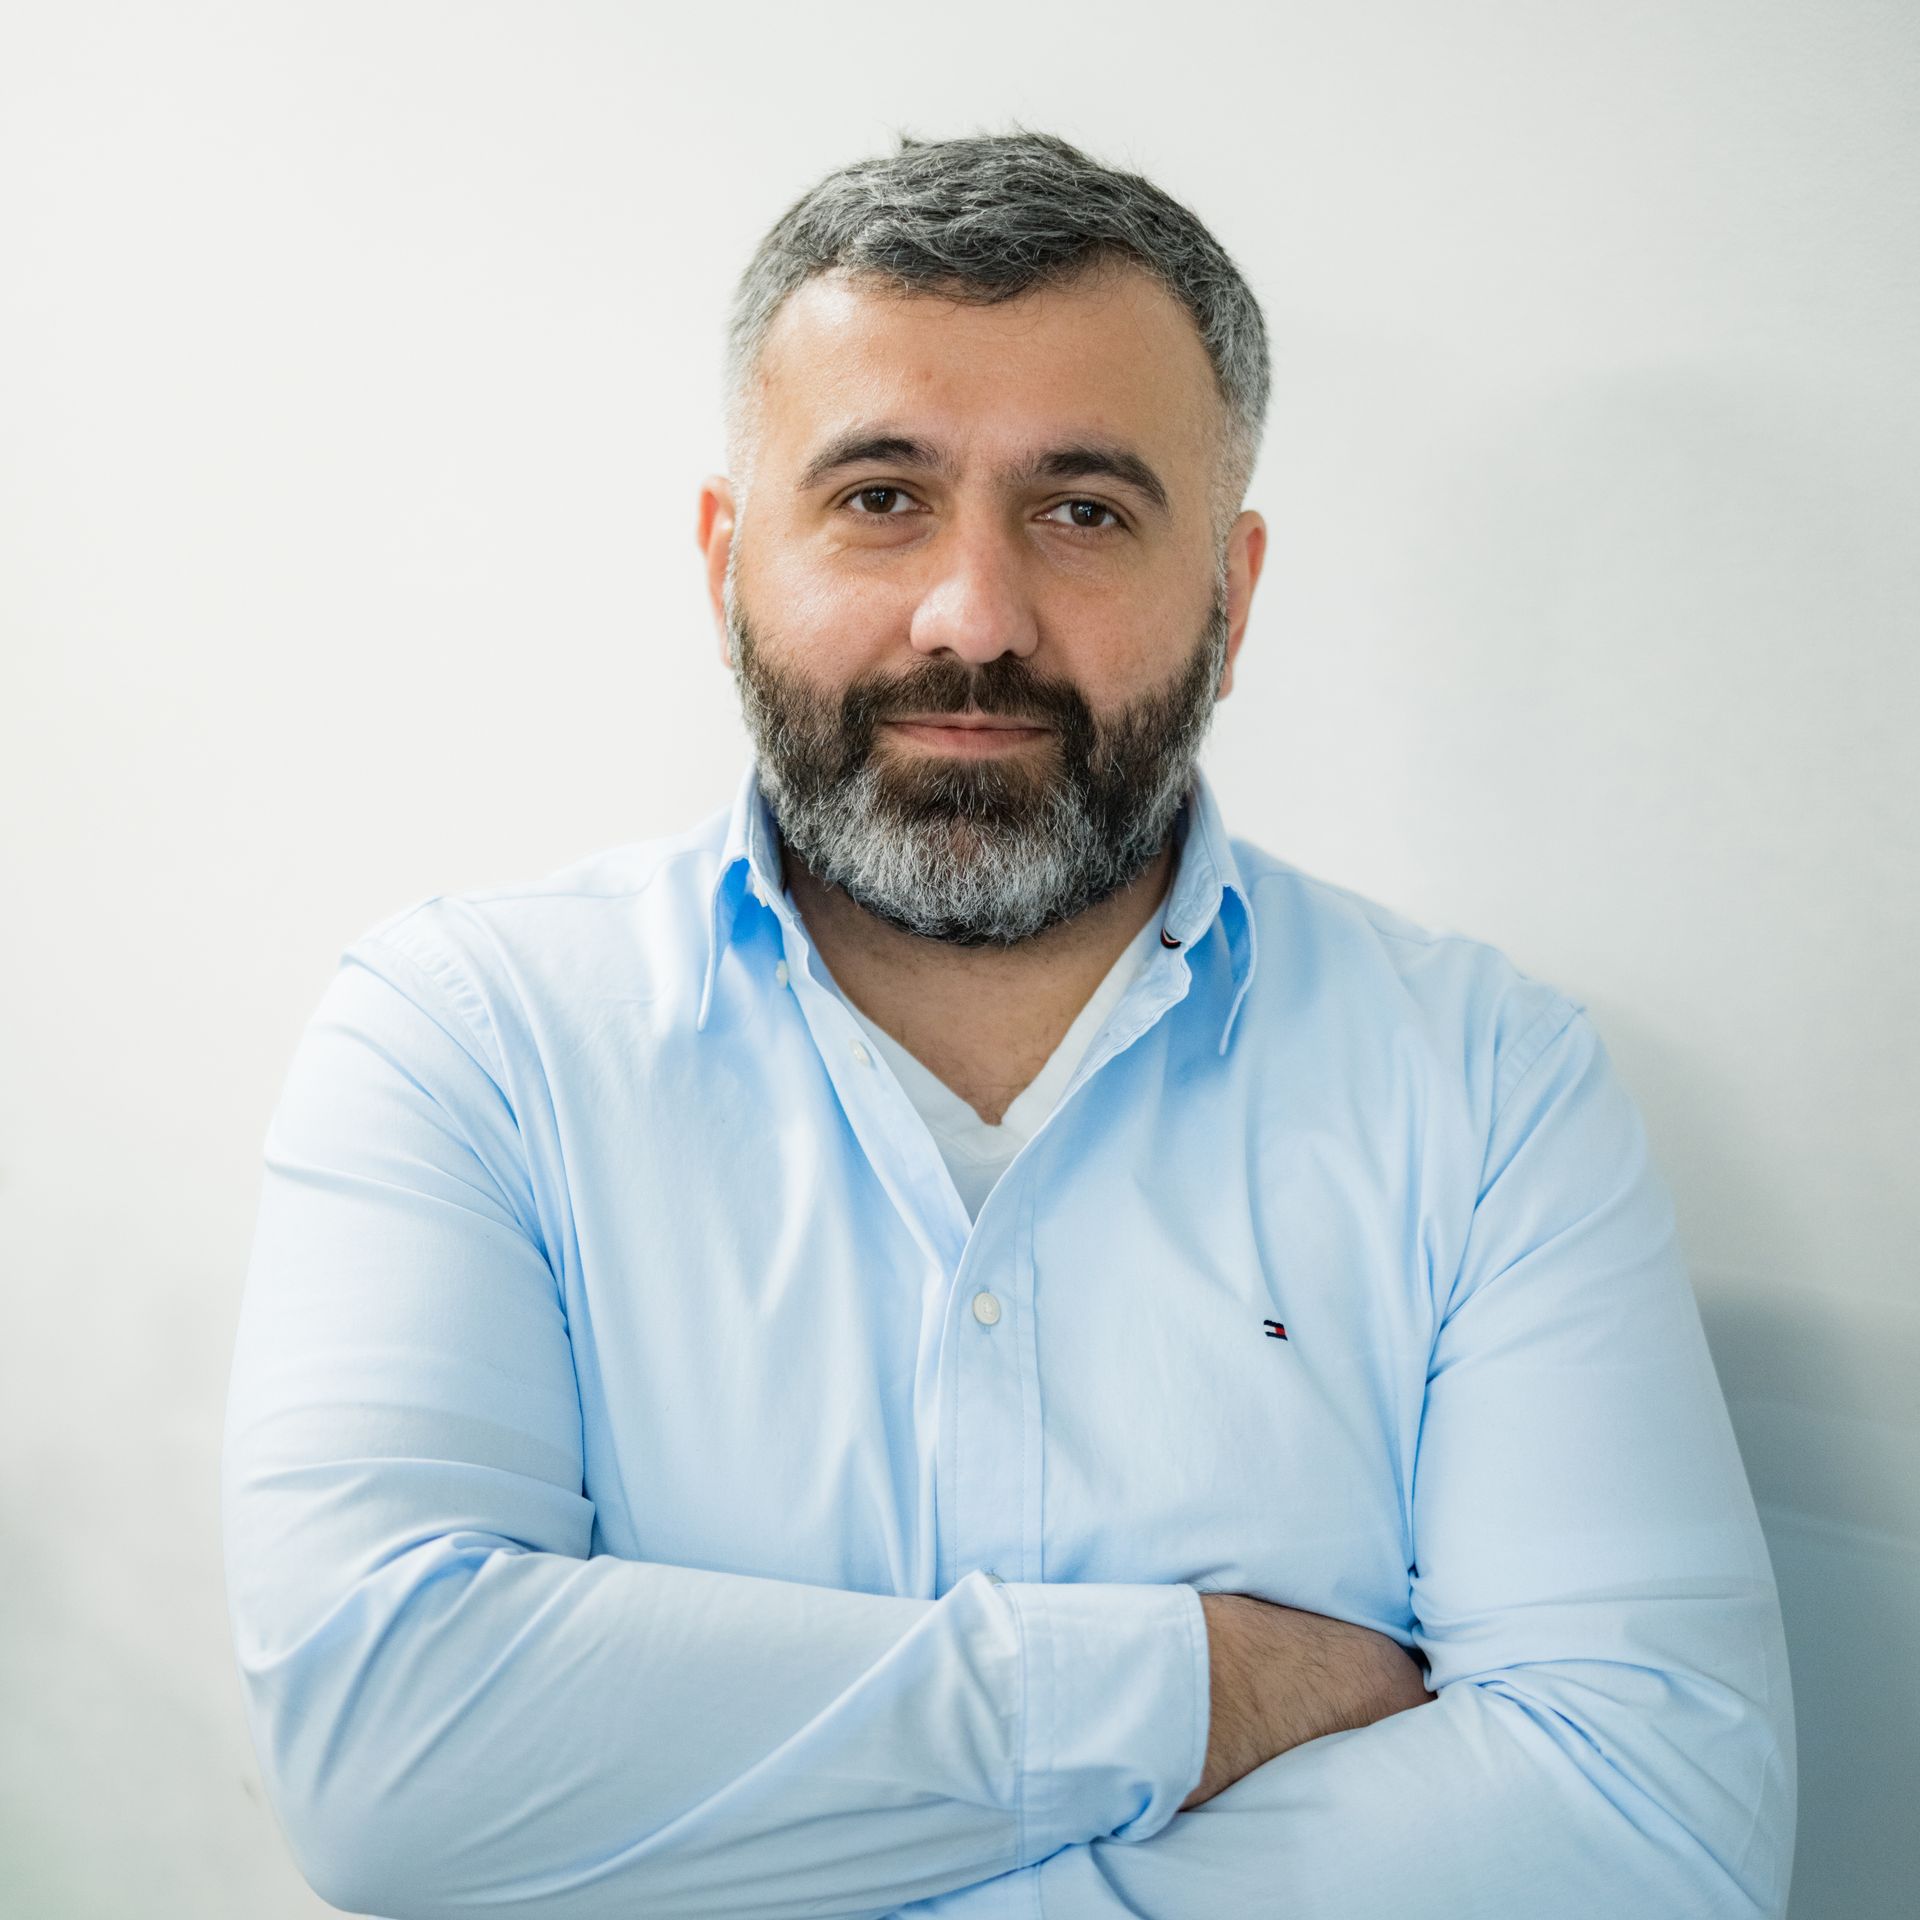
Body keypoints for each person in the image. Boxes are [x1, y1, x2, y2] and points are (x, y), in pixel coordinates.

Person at [221, 130, 1795, 1918]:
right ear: (728, 562)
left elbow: (1658, 1830)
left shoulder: (1490, 1084)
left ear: (1234, 596)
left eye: (1084, 510)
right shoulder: (468, 1044)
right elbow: (387, 1760)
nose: (974, 614)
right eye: (879, 496)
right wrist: (1205, 1685)